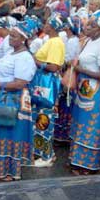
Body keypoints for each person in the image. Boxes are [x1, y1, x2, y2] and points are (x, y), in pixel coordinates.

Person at [0, 20, 36, 181]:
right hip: (3, 95)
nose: (10, 38)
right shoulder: (12, 52)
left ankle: (9, 171)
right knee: (1, 131)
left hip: (13, 99)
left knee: (10, 132)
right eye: (10, 35)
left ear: (23, 39)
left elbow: (20, 83)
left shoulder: (25, 57)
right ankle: (0, 168)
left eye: (14, 36)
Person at [69, 15, 100, 175]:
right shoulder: (88, 41)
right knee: (80, 123)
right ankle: (76, 160)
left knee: (91, 126)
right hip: (83, 89)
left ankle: (87, 165)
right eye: (87, 25)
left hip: (96, 93)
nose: (87, 28)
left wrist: (80, 70)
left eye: (91, 26)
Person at [30, 14, 66, 167]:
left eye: (47, 24)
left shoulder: (56, 43)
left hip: (47, 83)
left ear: (51, 26)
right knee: (39, 116)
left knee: (45, 116)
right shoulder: (51, 41)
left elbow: (54, 66)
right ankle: (41, 151)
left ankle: (46, 156)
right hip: (42, 83)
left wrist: (36, 61)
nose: (44, 25)